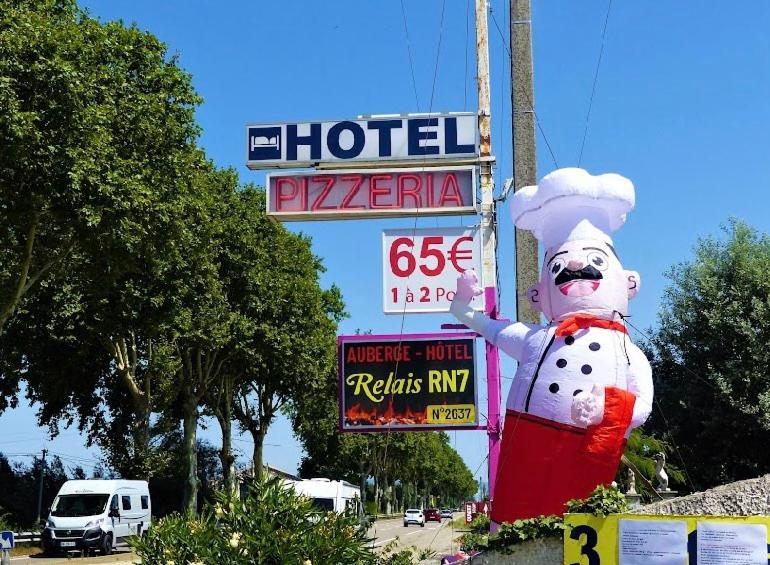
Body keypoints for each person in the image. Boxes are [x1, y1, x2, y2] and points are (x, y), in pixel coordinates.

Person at [451, 168, 653, 523]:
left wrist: (607, 408)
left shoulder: (626, 351)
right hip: (528, 447)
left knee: (579, 521)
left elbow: (643, 404)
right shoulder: (535, 340)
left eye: (595, 262)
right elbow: (483, 324)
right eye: (557, 266)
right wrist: (462, 303)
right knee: (515, 525)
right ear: (538, 292)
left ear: (628, 282)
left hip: (585, 454)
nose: (575, 266)